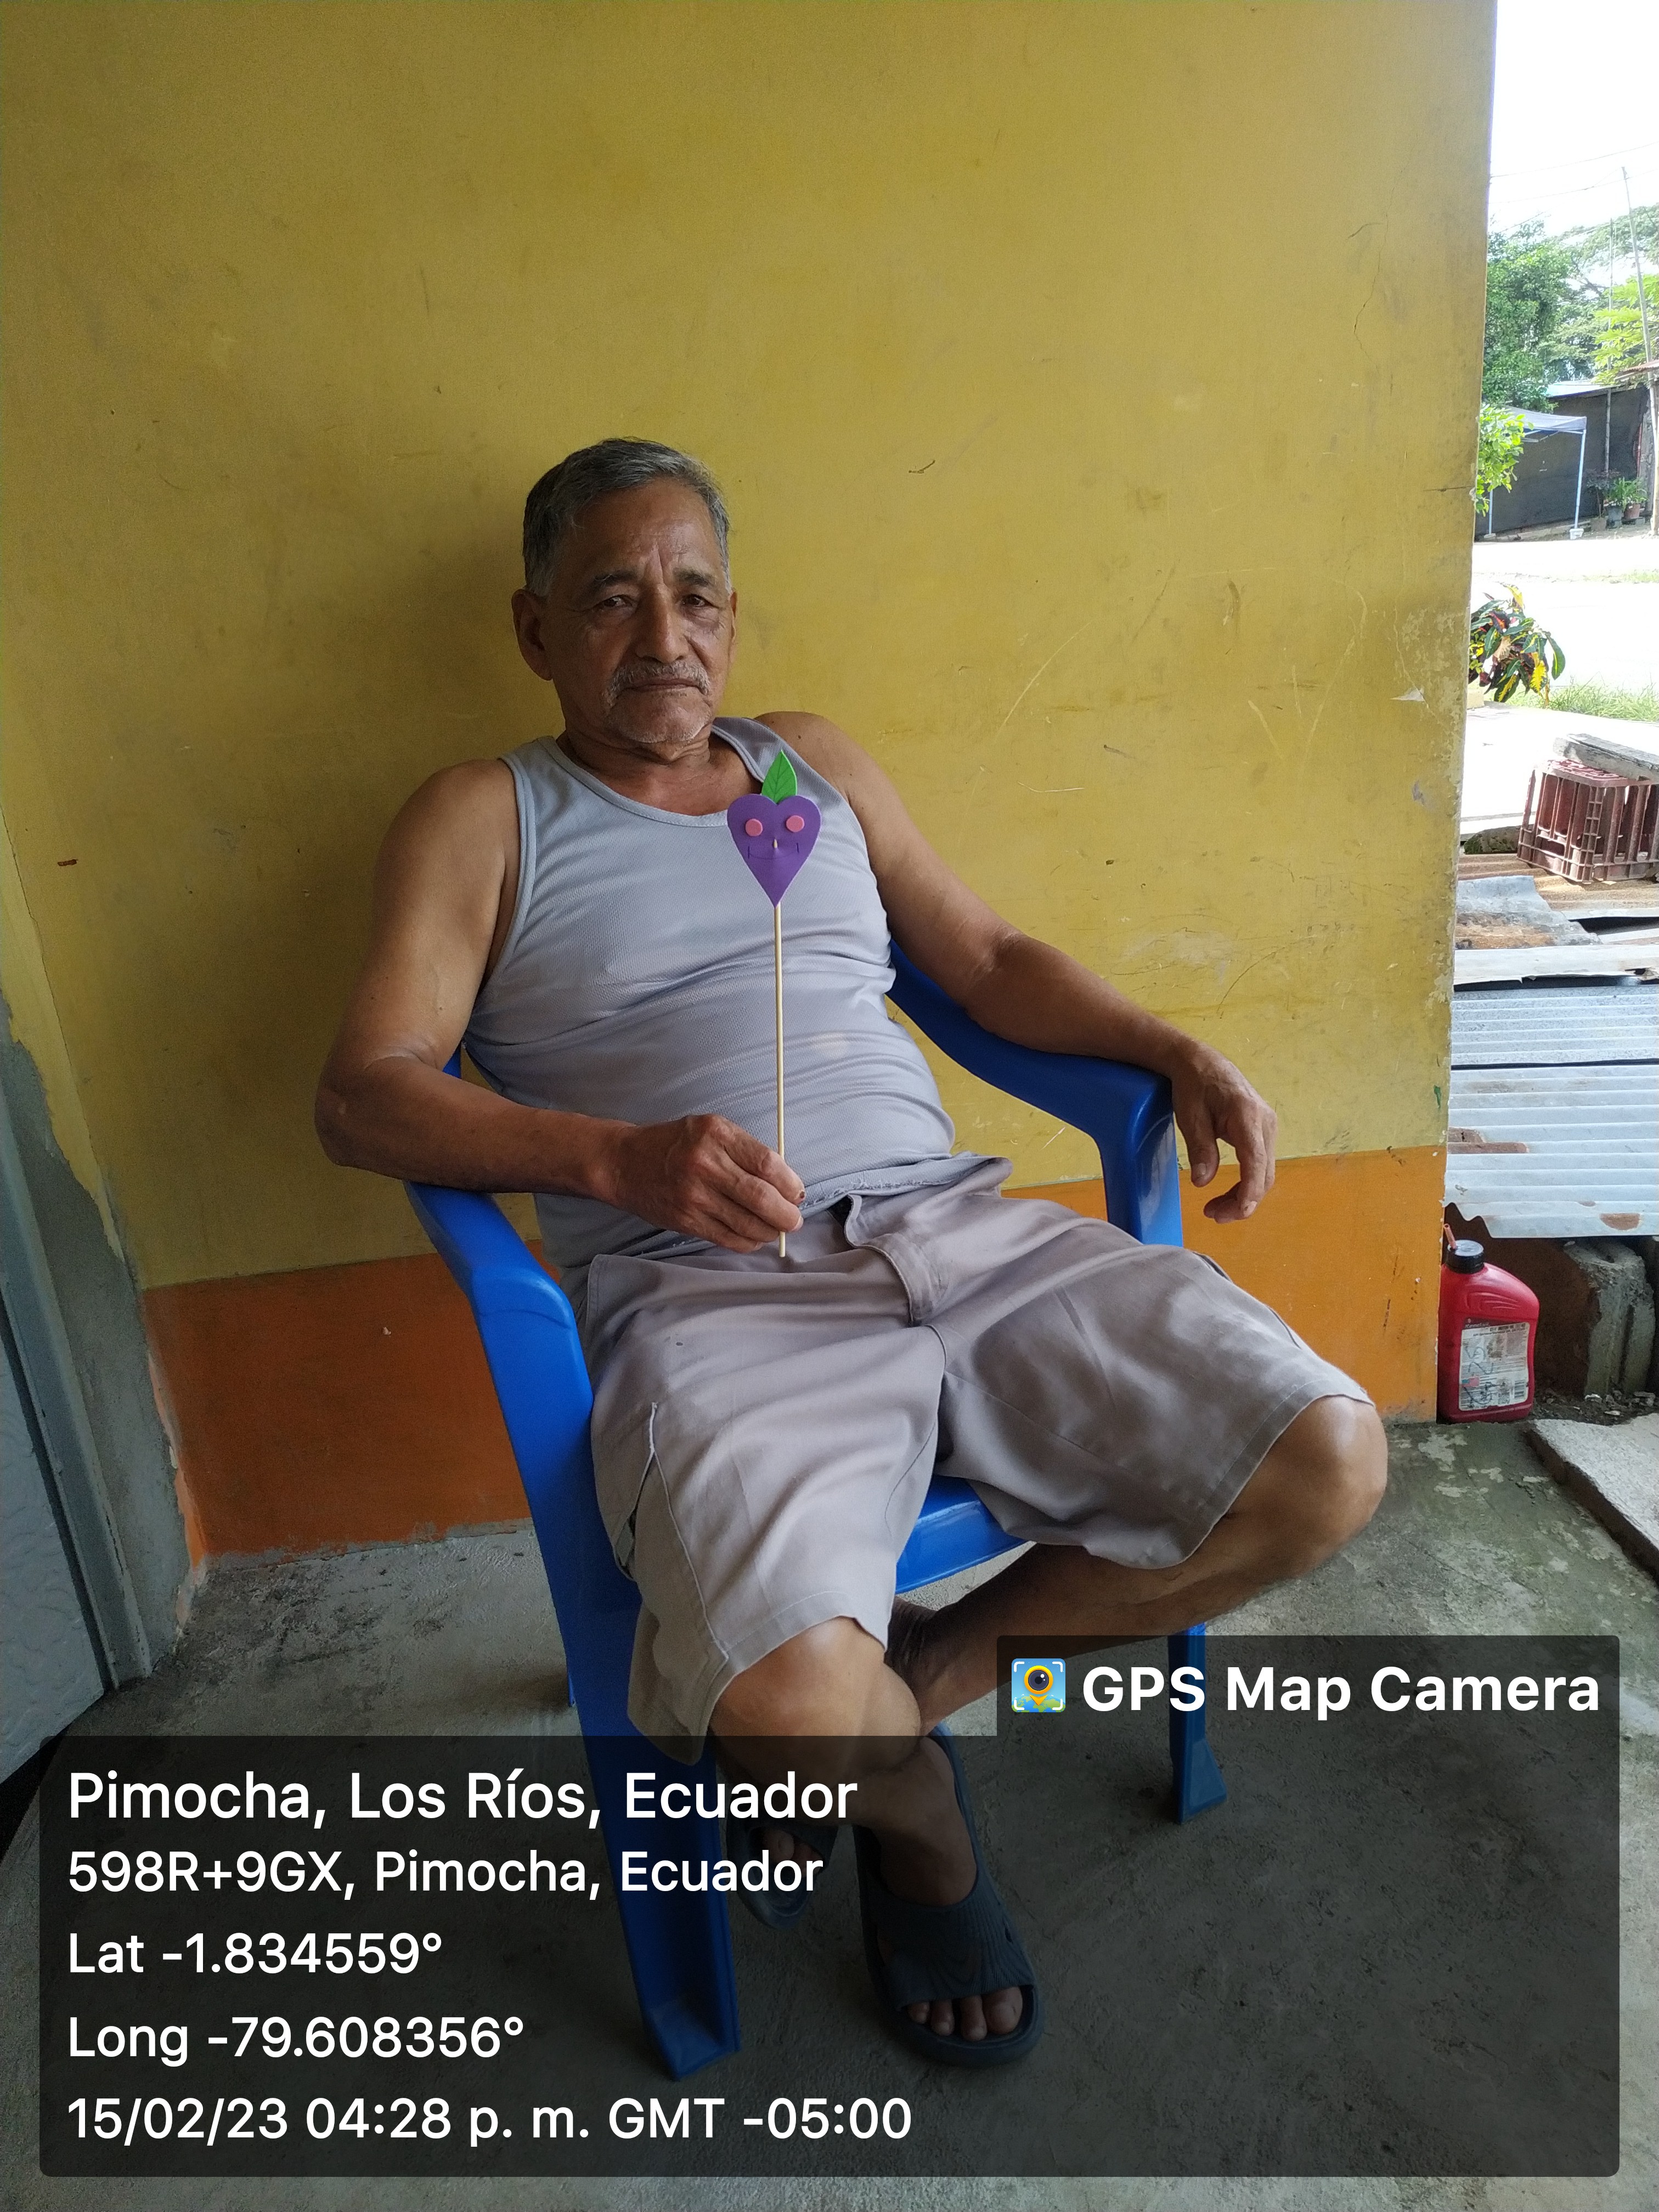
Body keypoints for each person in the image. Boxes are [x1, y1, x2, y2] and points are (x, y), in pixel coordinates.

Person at [316, 437, 1386, 2067]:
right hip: (708, 1301)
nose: (663, 636)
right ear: (535, 630)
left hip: (962, 1230)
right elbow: (364, 1095)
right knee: (789, 1713)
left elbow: (991, 960)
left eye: (695, 596)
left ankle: (934, 1678)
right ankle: (919, 1816)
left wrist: (1172, 1050)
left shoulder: (807, 767)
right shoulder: (485, 816)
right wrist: (615, 1158)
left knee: (1324, 1464)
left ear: (733, 619)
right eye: (610, 600)